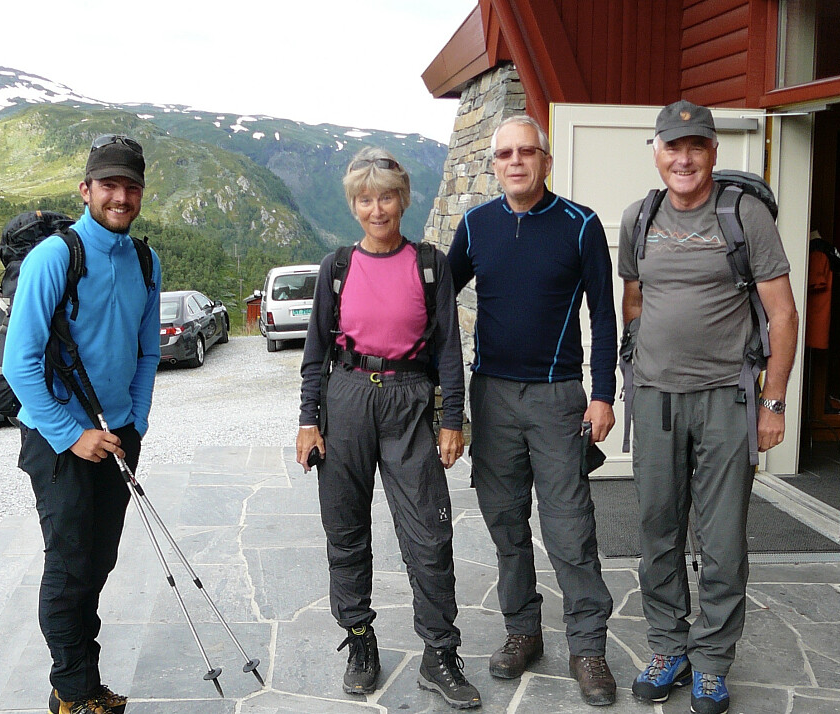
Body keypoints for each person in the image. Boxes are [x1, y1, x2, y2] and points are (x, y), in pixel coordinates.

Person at [618, 100, 798, 714]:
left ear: (714, 152)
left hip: (728, 398)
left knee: (721, 539)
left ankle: (713, 660)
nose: (684, 158)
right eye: (674, 146)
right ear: (658, 151)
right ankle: (669, 645)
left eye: (696, 146)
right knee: (656, 530)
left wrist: (773, 403)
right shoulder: (639, 217)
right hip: (656, 399)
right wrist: (635, 371)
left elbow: (783, 314)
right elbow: (635, 302)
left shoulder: (744, 215)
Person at [297, 147, 481, 710]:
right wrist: (308, 420)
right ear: (354, 205)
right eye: (366, 199)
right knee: (345, 531)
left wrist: (453, 420)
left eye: (387, 197)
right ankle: (359, 641)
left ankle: (440, 653)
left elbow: (449, 348)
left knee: (429, 534)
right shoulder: (337, 268)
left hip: (409, 400)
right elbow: (315, 352)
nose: (377, 208)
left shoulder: (430, 265)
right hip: (347, 398)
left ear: (403, 199)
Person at [447, 115, 619, 707]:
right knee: (506, 525)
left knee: (570, 530)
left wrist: (603, 395)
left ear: (545, 160)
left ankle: (588, 645)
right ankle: (523, 632)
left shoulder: (580, 226)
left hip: (557, 397)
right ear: (495, 164)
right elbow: (436, 300)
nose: (515, 162)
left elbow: (604, 314)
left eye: (526, 152)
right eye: (504, 155)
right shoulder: (475, 226)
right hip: (491, 396)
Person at [5, 134, 161, 714]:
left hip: (119, 435)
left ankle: (83, 681)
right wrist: (73, 436)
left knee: (98, 561)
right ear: (86, 190)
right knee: (70, 567)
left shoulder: (145, 260)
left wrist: (136, 421)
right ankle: (73, 692)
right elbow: (19, 364)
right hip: (58, 440)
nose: (120, 197)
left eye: (130, 187)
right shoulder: (55, 256)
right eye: (109, 185)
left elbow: (147, 354)